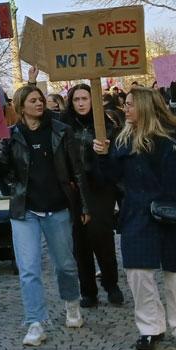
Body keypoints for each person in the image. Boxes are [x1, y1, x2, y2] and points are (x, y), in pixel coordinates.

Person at [93, 86, 176, 350]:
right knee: (138, 273)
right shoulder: (123, 139)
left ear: (145, 106)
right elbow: (111, 177)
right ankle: (150, 327)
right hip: (137, 213)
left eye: (130, 104)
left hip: (175, 211)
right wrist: (102, 156)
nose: (125, 108)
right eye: (125, 104)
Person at [0, 85, 89, 347]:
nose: (39, 104)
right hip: (25, 210)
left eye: (40, 100)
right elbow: (0, 174)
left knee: (65, 263)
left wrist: (84, 206)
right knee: (28, 269)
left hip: (57, 207)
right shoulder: (10, 137)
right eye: (33, 100)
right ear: (21, 107)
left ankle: (71, 304)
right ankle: (35, 322)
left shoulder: (61, 131)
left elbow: (77, 171)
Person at [60, 85, 124, 307]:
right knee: (80, 242)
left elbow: (116, 157)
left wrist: (105, 153)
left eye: (85, 98)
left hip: (100, 188)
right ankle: (88, 290)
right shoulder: (63, 125)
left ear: (92, 100)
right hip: (75, 189)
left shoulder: (106, 125)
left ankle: (111, 284)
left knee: (102, 237)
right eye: (76, 99)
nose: (80, 103)